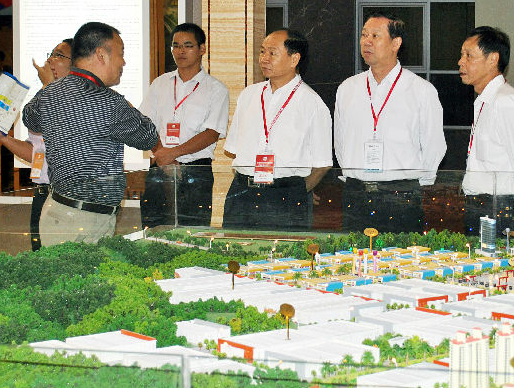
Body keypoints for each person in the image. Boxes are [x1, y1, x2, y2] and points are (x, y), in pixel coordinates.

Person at [22, 22, 159, 246]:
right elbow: (149, 136)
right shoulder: (110, 102)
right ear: (101, 55)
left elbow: (30, 119)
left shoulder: (49, 94)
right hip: (86, 221)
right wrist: (122, 101)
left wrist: (50, 88)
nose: (123, 62)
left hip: (56, 211)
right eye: (121, 54)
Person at [334, 12, 446, 233]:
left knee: (400, 255)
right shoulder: (348, 88)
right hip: (356, 195)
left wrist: (413, 186)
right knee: (354, 254)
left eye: (375, 36)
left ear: (396, 43)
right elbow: (340, 142)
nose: (366, 41)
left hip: (401, 196)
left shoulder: (421, 90)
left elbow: (434, 145)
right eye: (364, 35)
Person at [223, 29, 331, 230]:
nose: (264, 58)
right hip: (241, 194)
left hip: (285, 197)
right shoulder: (249, 95)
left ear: (294, 59)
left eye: (272, 53)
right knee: (234, 248)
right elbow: (233, 149)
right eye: (262, 51)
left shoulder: (312, 103)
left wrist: (294, 192)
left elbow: (322, 165)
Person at [0, 38, 73, 250]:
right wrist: (2, 137)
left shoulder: (82, 99)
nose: (50, 60)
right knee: (39, 256)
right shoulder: (42, 97)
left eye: (58, 55)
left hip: (68, 195)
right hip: (43, 192)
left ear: (76, 63)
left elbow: (64, 131)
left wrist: (49, 86)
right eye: (50, 54)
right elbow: (35, 151)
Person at [458, 26, 514, 239]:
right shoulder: (486, 100)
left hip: (501, 208)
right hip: (480, 205)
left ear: (493, 59)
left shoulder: (506, 101)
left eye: (469, 56)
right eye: (462, 55)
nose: (461, 62)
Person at [139, 23, 229, 228]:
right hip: (159, 167)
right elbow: (145, 124)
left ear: (202, 49)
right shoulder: (160, 83)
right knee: (154, 229)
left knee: (192, 232)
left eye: (188, 46)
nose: (180, 51)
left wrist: (173, 153)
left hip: (196, 170)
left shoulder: (216, 89)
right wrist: (162, 154)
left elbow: (212, 133)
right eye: (176, 46)